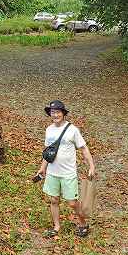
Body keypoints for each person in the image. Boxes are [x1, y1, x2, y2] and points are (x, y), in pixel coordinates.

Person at [34, 100, 95, 237]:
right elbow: (48, 152)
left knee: (72, 203)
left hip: (68, 173)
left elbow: (84, 149)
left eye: (57, 112)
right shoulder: (49, 130)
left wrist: (91, 166)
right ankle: (56, 227)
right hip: (52, 173)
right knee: (53, 200)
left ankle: (83, 223)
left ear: (63, 113)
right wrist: (43, 168)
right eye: (52, 112)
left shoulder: (72, 130)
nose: (54, 115)